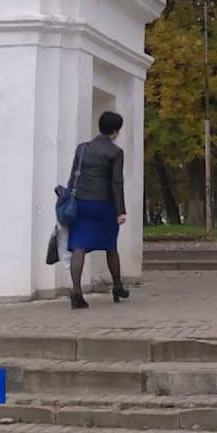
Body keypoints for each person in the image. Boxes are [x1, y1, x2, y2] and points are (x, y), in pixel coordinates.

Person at [66, 111, 129, 309]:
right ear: (116, 131)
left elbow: (73, 176)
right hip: (104, 204)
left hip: (81, 203)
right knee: (110, 246)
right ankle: (117, 286)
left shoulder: (82, 148)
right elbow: (116, 182)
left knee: (79, 245)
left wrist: (69, 200)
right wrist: (120, 210)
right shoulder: (115, 152)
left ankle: (76, 290)